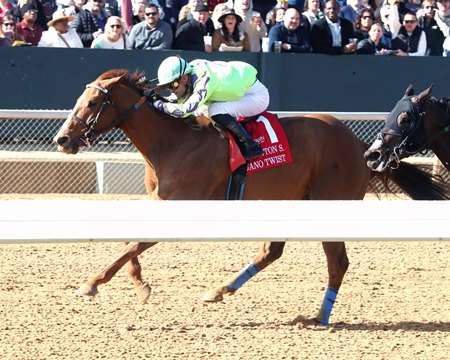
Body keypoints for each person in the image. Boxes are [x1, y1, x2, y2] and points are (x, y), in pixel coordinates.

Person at [153, 56, 268, 161]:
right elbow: (176, 99)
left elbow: (184, 111)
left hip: (256, 97)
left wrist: (157, 104)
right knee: (203, 109)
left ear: (184, 78)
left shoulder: (205, 80)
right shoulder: (190, 74)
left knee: (214, 109)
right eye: (167, 87)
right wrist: (155, 99)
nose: (171, 90)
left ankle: (251, 145)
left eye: (172, 85)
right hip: (238, 90)